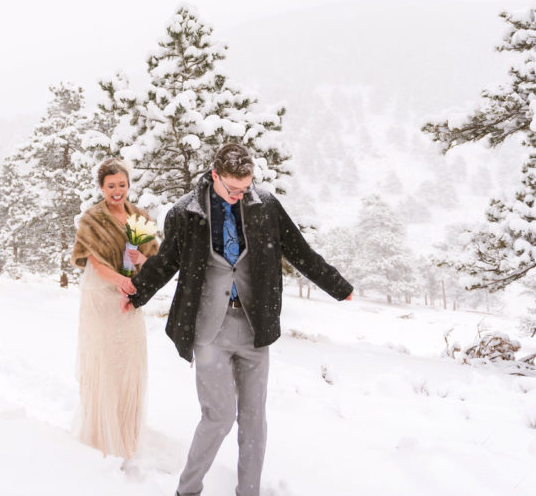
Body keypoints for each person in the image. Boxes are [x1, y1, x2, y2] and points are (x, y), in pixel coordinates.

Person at [120, 143, 353, 496]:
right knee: (219, 416)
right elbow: (167, 261)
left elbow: (299, 251)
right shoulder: (186, 212)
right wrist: (136, 294)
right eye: (232, 188)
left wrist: (337, 285)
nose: (239, 195)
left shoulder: (266, 205)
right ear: (214, 175)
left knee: (254, 420)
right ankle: (188, 489)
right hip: (208, 328)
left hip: (253, 325)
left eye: (245, 188)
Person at [71, 158, 159, 460]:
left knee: (130, 363)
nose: (117, 191)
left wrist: (138, 262)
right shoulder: (92, 219)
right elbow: (93, 262)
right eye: (111, 186)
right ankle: (101, 438)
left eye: (122, 185)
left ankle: (126, 436)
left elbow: (153, 263)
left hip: (129, 298)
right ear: (101, 187)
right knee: (105, 363)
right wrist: (120, 280)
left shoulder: (140, 217)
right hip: (101, 296)